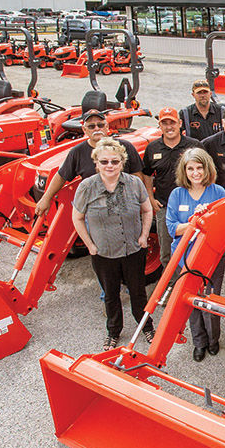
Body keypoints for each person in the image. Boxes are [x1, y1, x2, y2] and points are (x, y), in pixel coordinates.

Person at [71, 137, 154, 350]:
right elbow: (77, 218)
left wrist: (144, 235)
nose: (110, 166)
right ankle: (113, 331)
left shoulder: (134, 183)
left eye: (115, 161)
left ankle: (146, 326)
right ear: (96, 163)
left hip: (133, 250)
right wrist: (90, 245)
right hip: (104, 253)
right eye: (104, 161)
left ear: (122, 163)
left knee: (138, 293)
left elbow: (147, 210)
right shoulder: (86, 187)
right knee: (110, 295)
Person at [166, 147, 225, 362]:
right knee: (190, 302)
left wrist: (208, 219)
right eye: (190, 168)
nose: (195, 173)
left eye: (199, 167)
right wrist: (194, 221)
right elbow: (172, 228)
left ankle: (213, 339)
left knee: (209, 299)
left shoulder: (218, 192)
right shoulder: (177, 194)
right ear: (184, 171)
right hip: (185, 257)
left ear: (207, 168)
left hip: (212, 257)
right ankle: (199, 342)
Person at [34, 108, 144, 217]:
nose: (97, 128)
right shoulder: (77, 152)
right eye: (91, 126)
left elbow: (137, 176)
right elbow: (61, 176)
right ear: (84, 129)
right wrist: (46, 198)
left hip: (124, 208)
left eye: (100, 125)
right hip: (95, 211)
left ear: (106, 126)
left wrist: (138, 201)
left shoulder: (125, 147)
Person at [141, 107, 202, 268]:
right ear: (160, 126)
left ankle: (193, 279)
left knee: (195, 247)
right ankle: (172, 281)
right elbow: (147, 174)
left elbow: (206, 172)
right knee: (167, 252)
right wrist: (150, 198)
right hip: (165, 206)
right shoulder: (152, 148)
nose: (169, 127)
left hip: (192, 205)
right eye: (165, 123)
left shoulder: (194, 145)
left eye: (172, 123)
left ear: (180, 123)